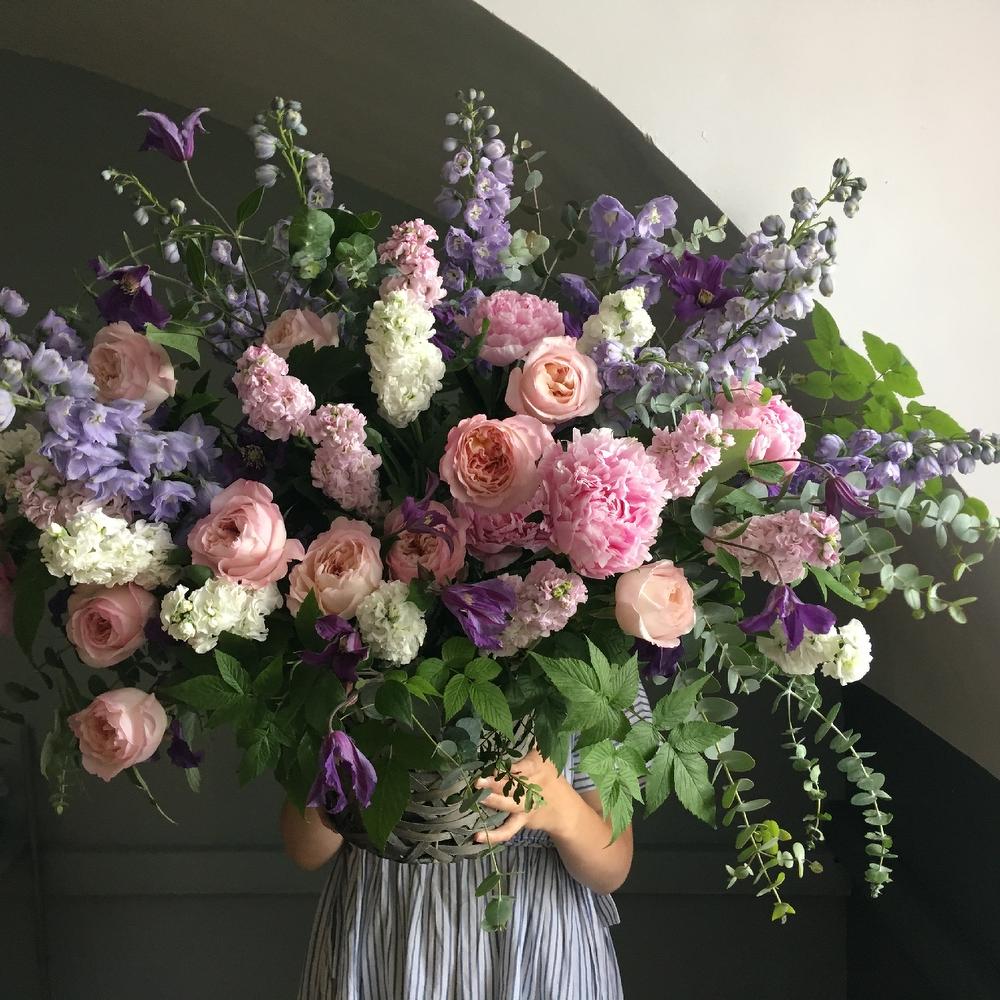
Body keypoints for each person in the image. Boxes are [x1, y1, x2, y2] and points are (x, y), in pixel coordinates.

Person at [283, 686, 651, 1000]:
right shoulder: (355, 668)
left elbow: (613, 867)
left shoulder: (589, 672)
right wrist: (336, 761)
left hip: (537, 949)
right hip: (385, 939)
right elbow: (306, 850)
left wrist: (562, 810)